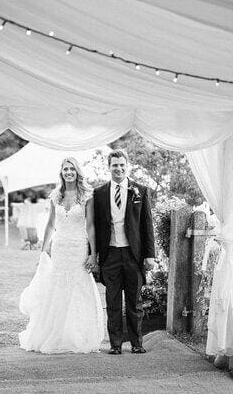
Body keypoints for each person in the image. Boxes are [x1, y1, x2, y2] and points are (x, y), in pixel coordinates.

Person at [18, 157, 105, 353]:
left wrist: (93, 254)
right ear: (61, 173)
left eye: (72, 169)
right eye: (65, 169)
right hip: (59, 248)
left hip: (78, 247)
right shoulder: (56, 195)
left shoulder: (87, 196)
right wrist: (43, 250)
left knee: (78, 288)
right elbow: (50, 224)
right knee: (57, 289)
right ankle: (54, 333)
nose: (68, 172)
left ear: (77, 172)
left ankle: (78, 335)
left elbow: (90, 226)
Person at [92, 149, 155, 355]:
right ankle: (116, 344)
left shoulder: (141, 191)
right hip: (110, 254)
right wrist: (94, 255)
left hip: (133, 255)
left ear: (127, 166)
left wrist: (149, 255)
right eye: (114, 165)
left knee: (134, 302)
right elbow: (95, 226)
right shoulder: (99, 193)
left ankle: (137, 343)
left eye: (121, 165)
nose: (118, 168)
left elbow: (147, 225)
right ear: (108, 167)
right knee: (112, 302)